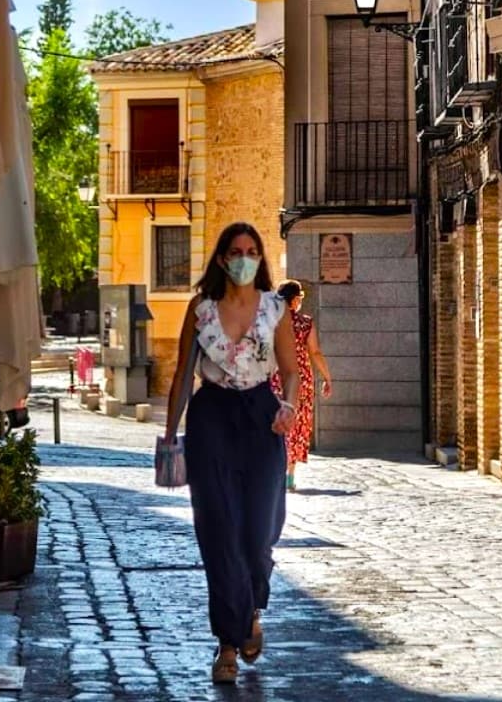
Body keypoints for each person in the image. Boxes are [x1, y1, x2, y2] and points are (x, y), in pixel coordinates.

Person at [165, 222, 299, 686]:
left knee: (260, 531)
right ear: (221, 259)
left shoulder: (275, 309)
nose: (244, 258)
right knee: (219, 531)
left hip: (261, 418)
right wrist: (169, 433)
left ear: (260, 258)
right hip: (212, 420)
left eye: (252, 251)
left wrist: (290, 406)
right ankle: (227, 641)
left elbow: (291, 371)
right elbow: (184, 373)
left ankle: (252, 611)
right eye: (236, 251)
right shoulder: (200, 310)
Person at [271, 279, 332, 492]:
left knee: (275, 424)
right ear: (295, 299)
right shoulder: (305, 323)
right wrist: (327, 377)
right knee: (296, 426)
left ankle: (275, 472)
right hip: (301, 380)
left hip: (275, 378)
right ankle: (290, 475)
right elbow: (314, 352)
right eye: (299, 298)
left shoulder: (272, 321)